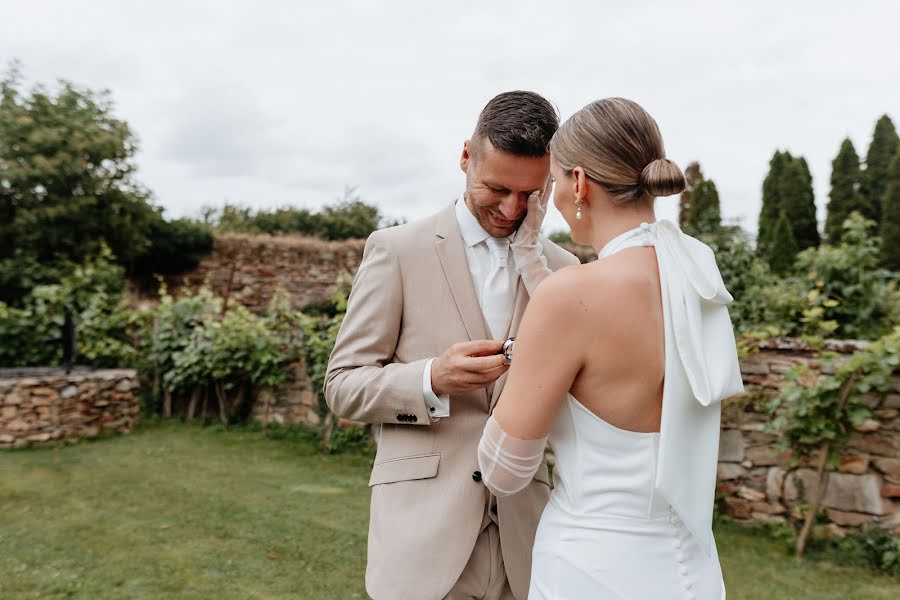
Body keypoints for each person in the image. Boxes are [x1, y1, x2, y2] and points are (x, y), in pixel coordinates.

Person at [477, 97, 744, 599]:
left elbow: (504, 471)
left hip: (591, 567)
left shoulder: (573, 296)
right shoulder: (696, 279)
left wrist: (519, 358)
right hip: (690, 569)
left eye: (553, 181)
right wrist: (534, 262)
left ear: (578, 183)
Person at [324, 91, 579, 600]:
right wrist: (430, 380)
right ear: (466, 157)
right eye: (497, 188)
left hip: (526, 546)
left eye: (531, 194)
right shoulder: (396, 251)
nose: (511, 209)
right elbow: (342, 386)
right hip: (422, 542)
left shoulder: (566, 273)